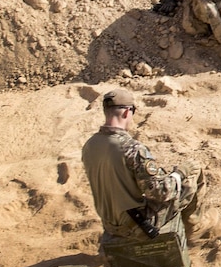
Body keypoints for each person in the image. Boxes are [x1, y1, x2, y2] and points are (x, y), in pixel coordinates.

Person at [81, 89, 213, 243]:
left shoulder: (89, 146)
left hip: (111, 225)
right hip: (139, 226)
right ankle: (195, 229)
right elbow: (161, 193)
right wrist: (179, 174)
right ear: (126, 113)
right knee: (193, 171)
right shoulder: (131, 148)